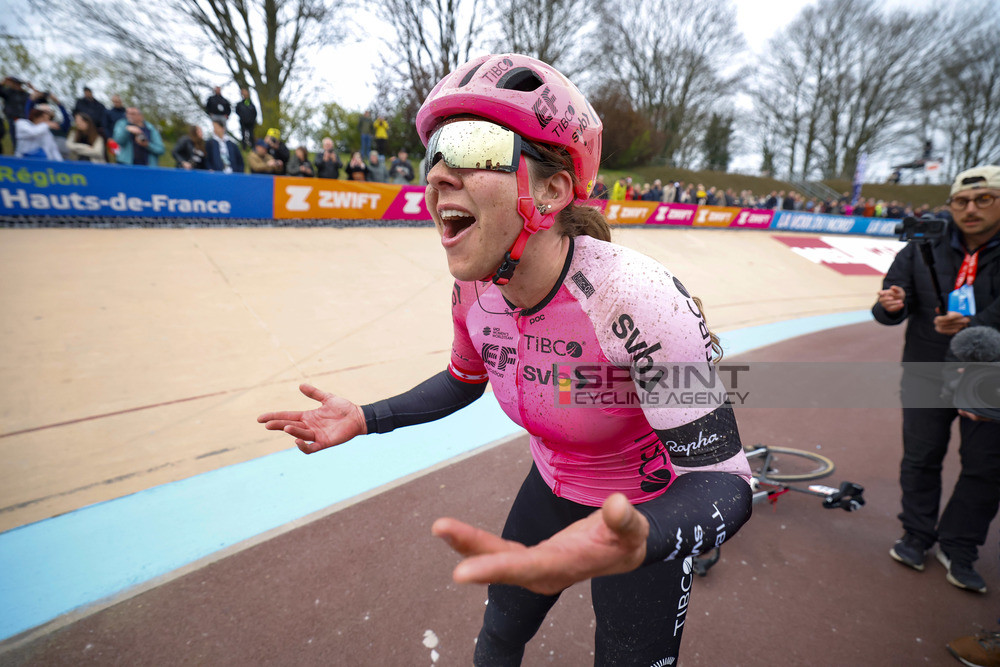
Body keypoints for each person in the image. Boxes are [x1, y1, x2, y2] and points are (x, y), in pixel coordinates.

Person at [257, 53, 752, 666]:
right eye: (436, 153)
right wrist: (366, 416)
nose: (439, 175)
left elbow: (725, 480)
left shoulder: (638, 299)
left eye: (474, 147)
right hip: (551, 485)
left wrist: (647, 537)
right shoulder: (473, 289)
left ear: (552, 190)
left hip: (644, 507)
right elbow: (464, 380)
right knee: (496, 639)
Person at [874, 165, 1000, 595]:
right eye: (961, 201)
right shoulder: (923, 242)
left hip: (989, 376)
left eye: (984, 199)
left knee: (986, 467)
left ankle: (959, 547)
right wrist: (891, 304)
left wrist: (972, 328)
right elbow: (889, 304)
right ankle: (916, 535)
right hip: (925, 368)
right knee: (920, 456)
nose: (971, 209)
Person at [1, 76, 30, 153]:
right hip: (13, 118)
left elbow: (37, 99)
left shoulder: (25, 94)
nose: (17, 85)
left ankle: (25, 154)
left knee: (26, 138)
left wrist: (32, 88)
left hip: (25, 120)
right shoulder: (8, 92)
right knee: (15, 138)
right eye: (15, 83)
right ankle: (17, 153)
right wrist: (3, 82)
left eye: (18, 84)